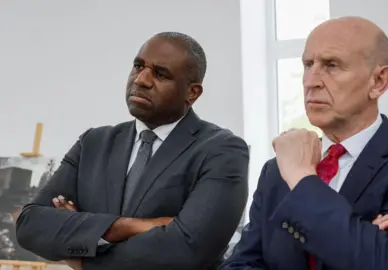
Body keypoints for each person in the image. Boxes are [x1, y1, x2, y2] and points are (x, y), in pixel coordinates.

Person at [221, 16, 388, 270]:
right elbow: (240, 264)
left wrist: (303, 179)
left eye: (332, 65)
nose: (310, 81)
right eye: (307, 64)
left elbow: (387, 263)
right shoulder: (277, 170)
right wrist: (357, 238)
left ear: (379, 81)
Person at [15, 32, 250, 270]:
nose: (141, 80)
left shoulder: (222, 150)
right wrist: (128, 226)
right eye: (138, 66)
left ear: (192, 93)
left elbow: (189, 249)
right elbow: (29, 225)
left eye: (160, 74)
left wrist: (84, 255)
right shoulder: (93, 143)